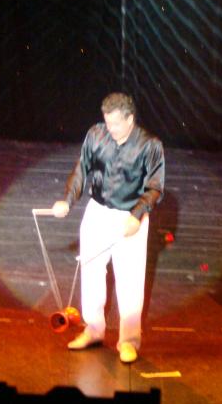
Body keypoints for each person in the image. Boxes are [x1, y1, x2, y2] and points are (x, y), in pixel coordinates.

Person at [51, 92, 164, 364]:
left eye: (115, 124)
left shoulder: (150, 145)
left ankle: (128, 341)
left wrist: (137, 215)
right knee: (90, 271)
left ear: (130, 119)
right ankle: (93, 330)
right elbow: (82, 169)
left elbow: (155, 188)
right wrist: (67, 200)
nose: (110, 128)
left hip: (129, 216)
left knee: (129, 280)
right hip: (98, 212)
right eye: (107, 122)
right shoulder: (96, 135)